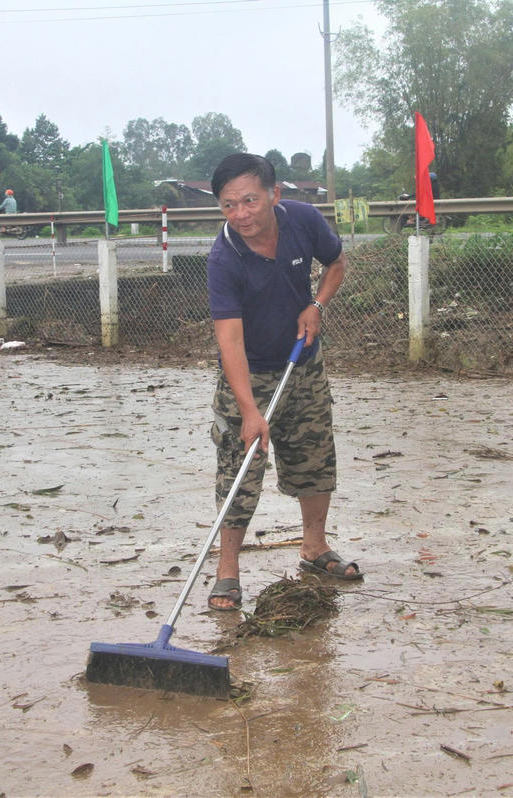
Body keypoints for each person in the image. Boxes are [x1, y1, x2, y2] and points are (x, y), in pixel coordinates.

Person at [204, 153, 360, 612]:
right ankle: (227, 571)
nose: (241, 214)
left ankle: (314, 548)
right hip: (248, 372)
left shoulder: (304, 220)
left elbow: (336, 264)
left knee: (314, 457)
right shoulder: (223, 258)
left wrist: (318, 305)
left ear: (274, 194)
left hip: (302, 364)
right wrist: (250, 411)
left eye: (249, 200)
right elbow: (229, 341)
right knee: (239, 470)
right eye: (228, 205)